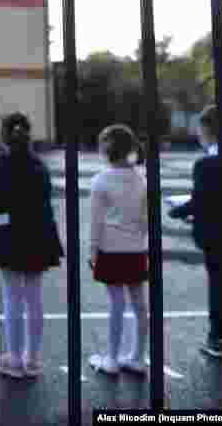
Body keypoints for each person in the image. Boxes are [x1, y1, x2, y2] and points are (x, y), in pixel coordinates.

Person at [0, 112, 64, 379]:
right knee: (34, 297)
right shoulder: (39, 165)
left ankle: (14, 359)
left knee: (12, 297)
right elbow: (45, 201)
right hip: (39, 237)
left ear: (4, 136)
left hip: (10, 237)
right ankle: (33, 359)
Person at [169, 103, 222, 358]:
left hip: (217, 237)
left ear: (208, 130)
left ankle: (218, 338)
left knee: (219, 286)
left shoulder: (206, 165)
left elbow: (201, 201)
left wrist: (177, 211)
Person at [87, 124, 149, 375]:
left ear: (106, 150)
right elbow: (146, 219)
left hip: (110, 249)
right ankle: (137, 357)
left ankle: (111, 359)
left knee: (116, 303)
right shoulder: (141, 179)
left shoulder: (101, 180)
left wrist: (92, 251)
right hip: (135, 248)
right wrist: (139, 240)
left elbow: (96, 221)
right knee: (139, 304)